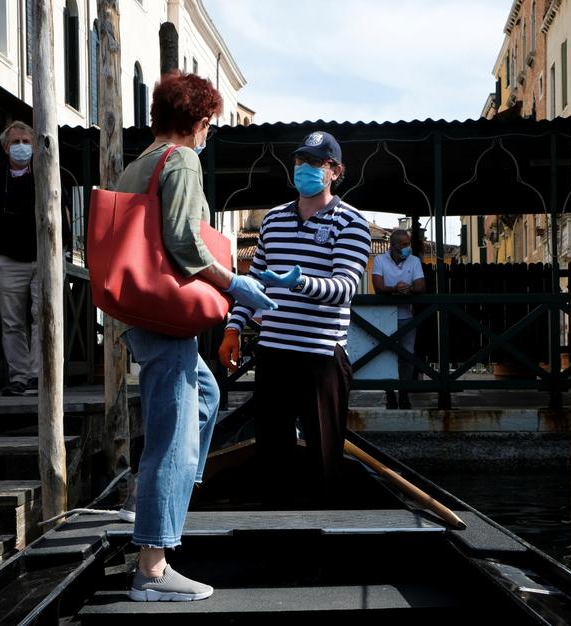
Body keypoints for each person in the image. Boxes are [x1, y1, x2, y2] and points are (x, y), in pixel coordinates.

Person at [115, 71, 275, 602]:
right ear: (202, 121)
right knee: (174, 435)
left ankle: (155, 502)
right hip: (167, 319)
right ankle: (153, 568)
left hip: (141, 314)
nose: (209, 134)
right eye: (210, 124)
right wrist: (237, 284)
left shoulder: (136, 163)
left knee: (204, 397)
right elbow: (184, 241)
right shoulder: (181, 159)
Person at [218, 130, 372, 507]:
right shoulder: (273, 221)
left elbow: (345, 287)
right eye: (301, 160)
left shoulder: (351, 222)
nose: (304, 168)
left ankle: (325, 536)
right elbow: (252, 284)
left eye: (316, 162)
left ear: (334, 170)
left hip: (322, 356)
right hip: (273, 353)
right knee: (272, 456)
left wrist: (298, 282)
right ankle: (277, 533)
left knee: (323, 459)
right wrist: (234, 327)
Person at [0, 121, 41, 397]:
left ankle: (40, 376)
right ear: (5, 148)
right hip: (8, 260)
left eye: (26, 142)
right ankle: (20, 377)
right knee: (12, 322)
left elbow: (61, 210)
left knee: (44, 317)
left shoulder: (44, 173)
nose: (22, 147)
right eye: (16, 142)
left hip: (43, 259)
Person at [371, 228, 426, 409]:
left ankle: (404, 393)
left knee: (407, 356)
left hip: (407, 316)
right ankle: (390, 394)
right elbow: (378, 286)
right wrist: (395, 288)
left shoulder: (414, 261)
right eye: (403, 245)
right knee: (387, 356)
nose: (407, 247)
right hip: (385, 317)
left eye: (408, 244)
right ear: (393, 246)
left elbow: (421, 286)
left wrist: (407, 288)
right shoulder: (379, 260)